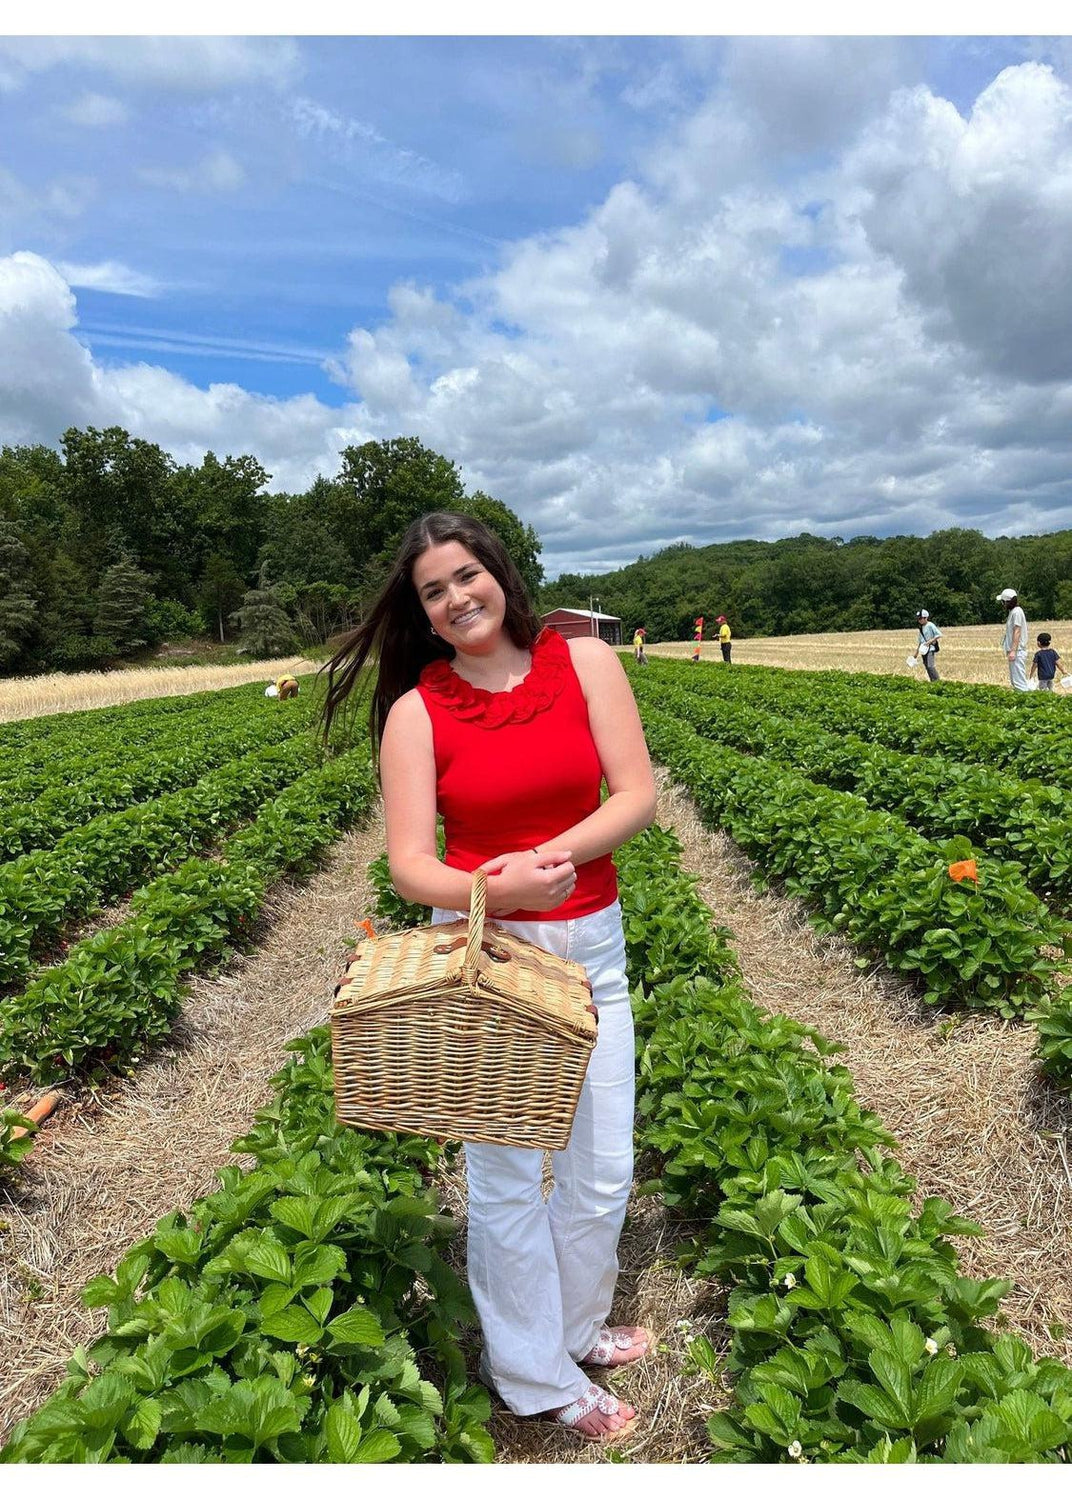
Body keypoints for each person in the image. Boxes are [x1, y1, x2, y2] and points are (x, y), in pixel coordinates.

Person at [319, 511, 656, 1444]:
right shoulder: (417, 713)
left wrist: (551, 856)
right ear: (422, 612)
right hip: (488, 960)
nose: (456, 598)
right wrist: (497, 887)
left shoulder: (586, 664)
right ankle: (535, 1376)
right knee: (507, 1177)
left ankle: (574, 1331)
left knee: (602, 1169)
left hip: (592, 949)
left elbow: (636, 794)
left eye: (466, 575)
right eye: (434, 591)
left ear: (499, 573)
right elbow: (409, 865)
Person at [997, 588, 1030, 691]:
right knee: (1015, 681)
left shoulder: (1017, 612)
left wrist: (1013, 651)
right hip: (1015, 651)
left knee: (1019, 682)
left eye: (1003, 602)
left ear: (1007, 602)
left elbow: (1017, 631)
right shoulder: (1013, 612)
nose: (1002, 605)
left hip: (1017, 651)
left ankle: (1024, 698)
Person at [912, 610, 942, 681]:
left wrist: (929, 642)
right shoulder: (921, 627)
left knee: (930, 666)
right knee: (927, 666)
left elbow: (939, 634)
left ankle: (937, 681)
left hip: (930, 649)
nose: (919, 620)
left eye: (920, 618)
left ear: (925, 618)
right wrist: (916, 652)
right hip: (923, 650)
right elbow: (920, 641)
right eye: (918, 619)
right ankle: (932, 681)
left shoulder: (930, 625)